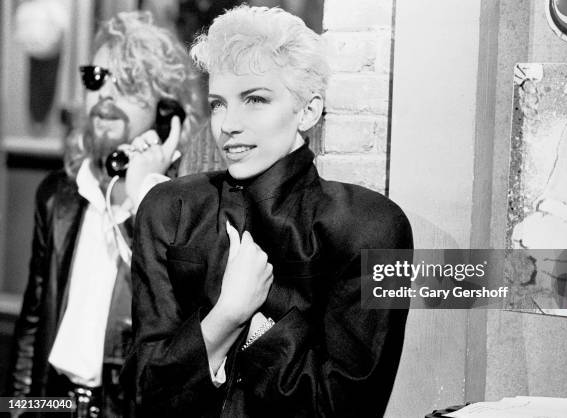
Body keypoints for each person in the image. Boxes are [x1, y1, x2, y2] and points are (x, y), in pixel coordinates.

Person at [128, 5, 412, 417]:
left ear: (308, 110)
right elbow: (146, 393)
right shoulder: (169, 209)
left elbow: (345, 409)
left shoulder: (373, 229)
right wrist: (227, 314)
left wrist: (258, 328)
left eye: (255, 99)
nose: (228, 124)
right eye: (219, 103)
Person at [5, 11, 204, 418]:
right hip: (55, 402)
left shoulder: (186, 209)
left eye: (128, 83)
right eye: (97, 78)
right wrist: (18, 409)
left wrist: (142, 196)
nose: (105, 95)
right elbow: (31, 326)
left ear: (168, 109)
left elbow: (179, 321)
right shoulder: (59, 195)